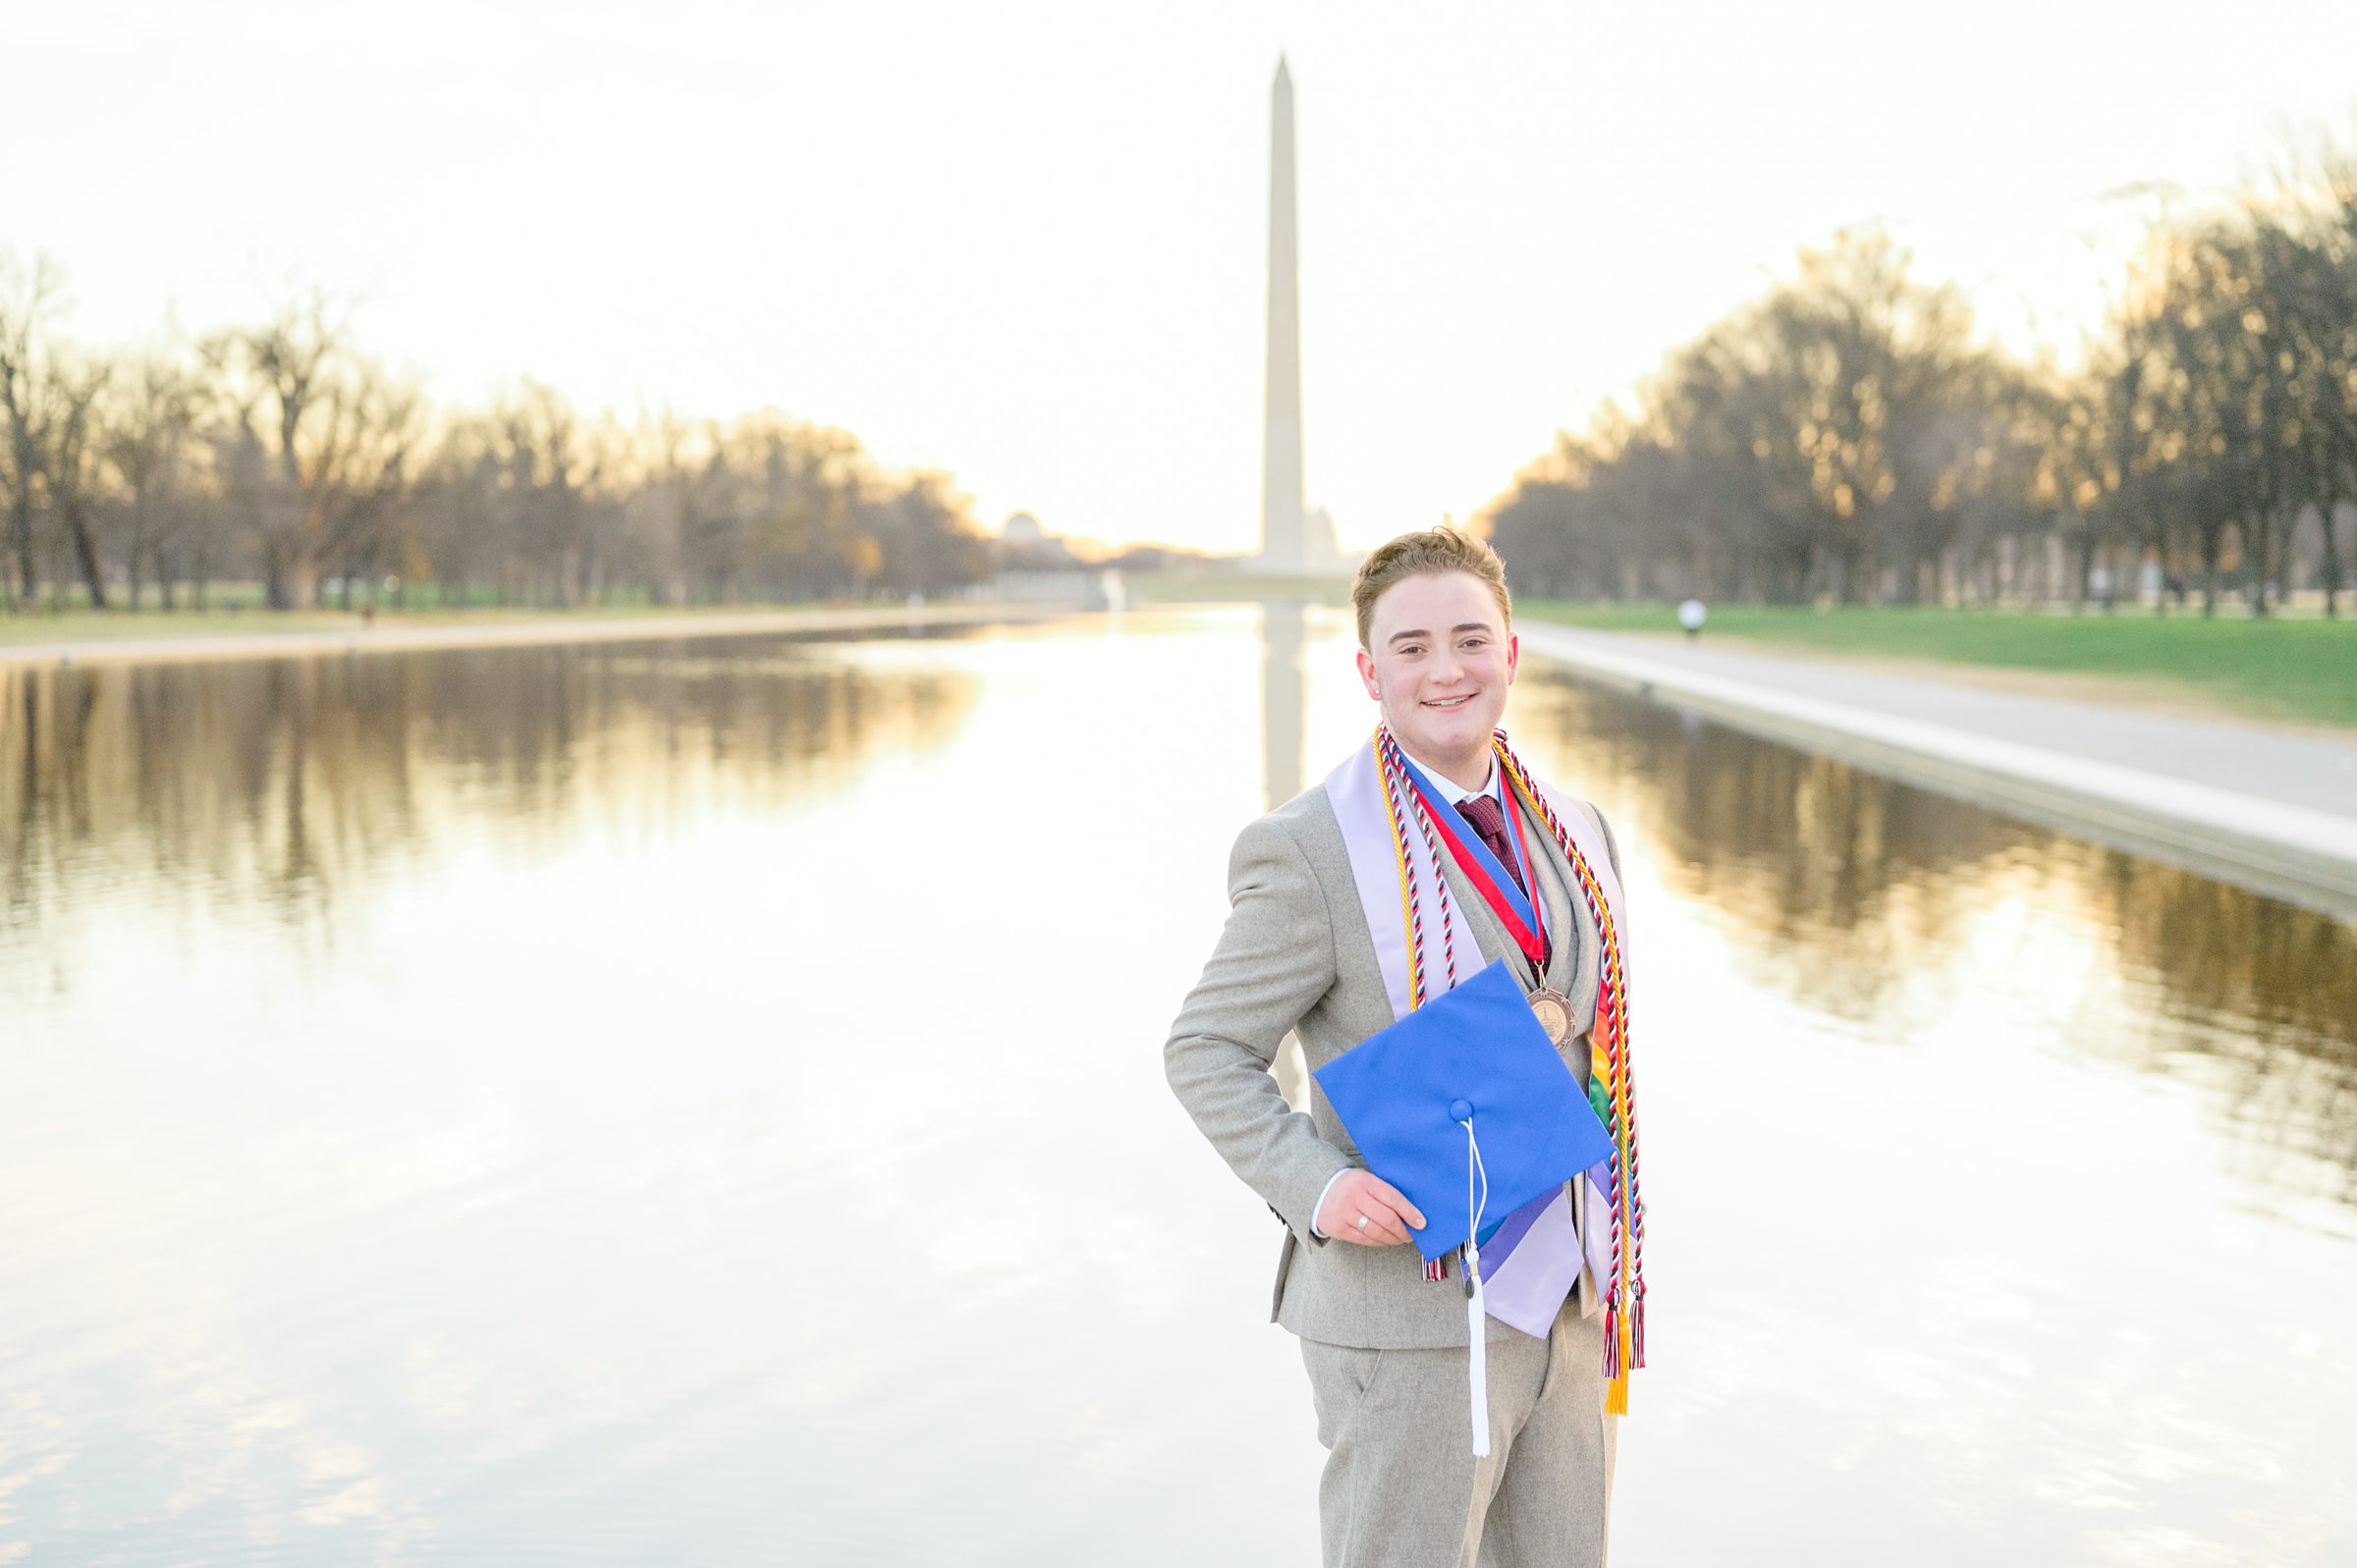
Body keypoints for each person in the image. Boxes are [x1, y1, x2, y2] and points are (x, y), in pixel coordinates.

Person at [1163, 526, 1645, 1568]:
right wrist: (1316, 1187)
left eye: (1470, 639)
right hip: (1406, 1320)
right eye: (1413, 646)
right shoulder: (1309, 849)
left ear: (1510, 653)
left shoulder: (1579, 827)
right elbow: (1205, 1047)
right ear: (1368, 671)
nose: (1446, 670)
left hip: (1565, 1303)